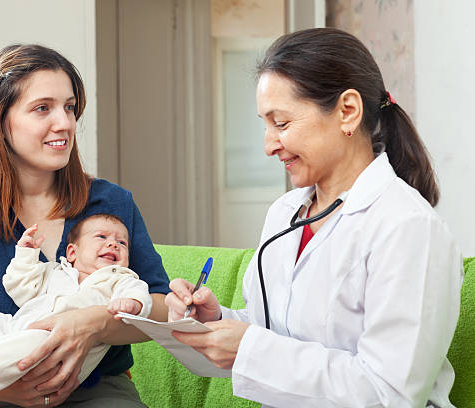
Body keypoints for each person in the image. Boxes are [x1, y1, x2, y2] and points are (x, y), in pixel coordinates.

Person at [166, 28, 463, 408]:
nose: (269, 145)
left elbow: (390, 393)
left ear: (347, 111)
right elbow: (274, 329)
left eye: (282, 124)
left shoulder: (409, 228)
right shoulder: (284, 214)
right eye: (265, 124)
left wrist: (250, 348)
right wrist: (216, 321)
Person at [0, 44, 170, 408]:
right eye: (43, 108)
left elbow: (163, 308)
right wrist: (8, 392)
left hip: (98, 391)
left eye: (69, 107)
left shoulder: (113, 203)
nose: (65, 123)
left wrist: (92, 323)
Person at [0, 214, 152, 402]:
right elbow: (21, 288)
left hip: (63, 353)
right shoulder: (53, 272)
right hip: (22, 329)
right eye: (102, 237)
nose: (113, 244)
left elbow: (140, 294)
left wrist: (132, 303)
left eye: (122, 243)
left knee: (35, 342)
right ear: (72, 253)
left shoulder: (120, 279)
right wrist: (26, 254)